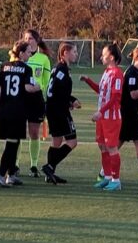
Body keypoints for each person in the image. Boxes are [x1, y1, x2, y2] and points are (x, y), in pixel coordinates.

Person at [83, 45, 138, 185]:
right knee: (116, 145)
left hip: (126, 113)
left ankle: (109, 175)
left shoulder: (133, 72)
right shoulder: (131, 72)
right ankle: (109, 176)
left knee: (122, 144)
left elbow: (128, 92)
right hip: (127, 114)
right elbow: (132, 95)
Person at [0, 40, 40, 187]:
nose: (30, 55)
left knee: (15, 141)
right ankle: (1, 175)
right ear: (21, 53)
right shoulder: (26, 69)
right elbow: (28, 88)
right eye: (28, 52)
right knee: (11, 144)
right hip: (17, 110)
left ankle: (11, 174)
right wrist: (38, 87)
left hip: (4, 109)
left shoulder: (5, 66)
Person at [41, 41, 82, 185]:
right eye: (74, 51)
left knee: (56, 141)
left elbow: (56, 91)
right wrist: (72, 102)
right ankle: (49, 167)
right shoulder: (62, 70)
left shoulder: (57, 68)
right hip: (59, 111)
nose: (76, 54)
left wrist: (70, 100)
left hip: (52, 109)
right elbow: (60, 94)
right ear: (65, 53)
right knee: (72, 142)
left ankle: (50, 173)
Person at [90, 44, 124, 191]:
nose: (101, 57)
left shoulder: (117, 73)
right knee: (103, 147)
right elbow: (101, 90)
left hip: (111, 117)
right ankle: (108, 177)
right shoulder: (107, 72)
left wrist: (101, 111)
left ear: (111, 57)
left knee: (111, 147)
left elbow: (115, 98)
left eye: (103, 55)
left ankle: (116, 180)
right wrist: (88, 81)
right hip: (103, 117)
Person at [22, 29, 51, 177]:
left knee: (34, 133)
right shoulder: (19, 57)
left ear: (37, 41)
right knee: (18, 132)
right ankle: (14, 165)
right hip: (21, 98)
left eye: (30, 38)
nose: (28, 41)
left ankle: (33, 165)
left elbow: (47, 81)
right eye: (25, 38)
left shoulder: (43, 59)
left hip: (36, 99)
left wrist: (40, 89)